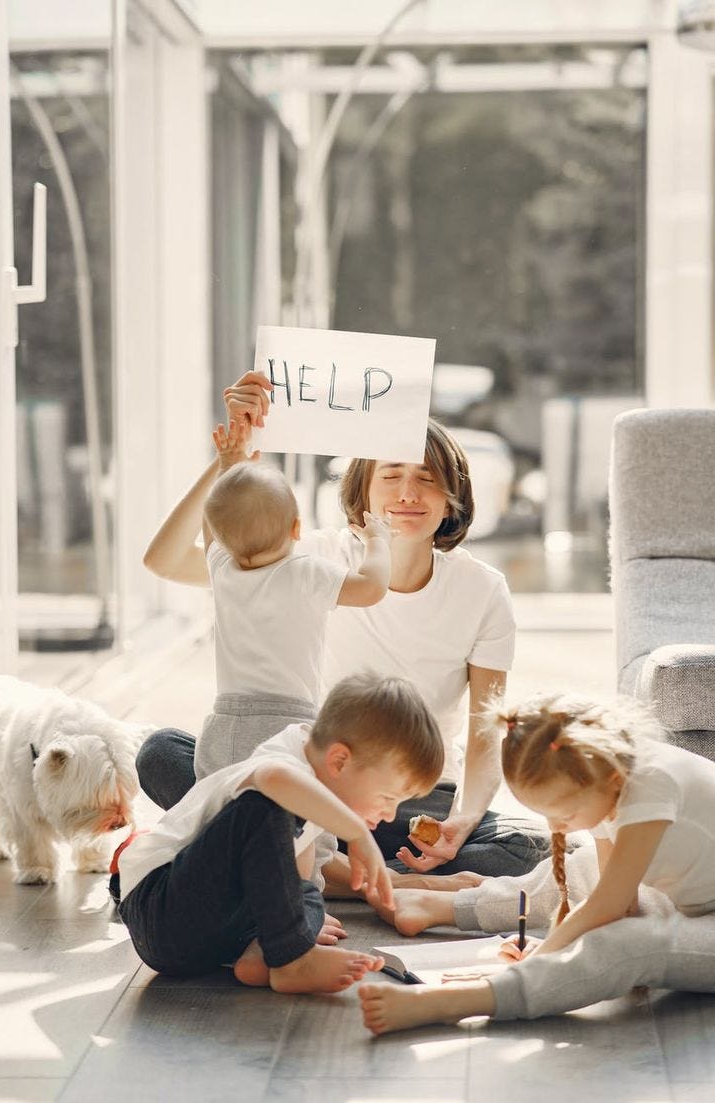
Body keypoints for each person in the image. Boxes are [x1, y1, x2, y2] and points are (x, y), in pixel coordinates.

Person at [139, 370, 547, 880]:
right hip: (312, 785)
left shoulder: (483, 589)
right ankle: (369, 882)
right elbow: (167, 561)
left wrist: (462, 822)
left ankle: (288, 872)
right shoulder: (310, 559)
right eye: (391, 475)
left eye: (426, 478)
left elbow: (486, 733)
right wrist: (230, 462)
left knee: (525, 844)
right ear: (364, 491)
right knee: (161, 754)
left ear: (451, 499)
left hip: (410, 801)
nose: (408, 492)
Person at [358, 691, 715, 1034]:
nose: (556, 827)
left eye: (565, 814)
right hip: (687, 900)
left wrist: (546, 953)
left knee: (634, 945)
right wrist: (553, 947)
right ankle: (447, 903)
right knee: (584, 866)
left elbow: (612, 907)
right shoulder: (608, 772)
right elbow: (620, 904)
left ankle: (466, 999)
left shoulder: (650, 785)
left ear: (608, 780)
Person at [115, 672, 444, 993]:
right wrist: (356, 833)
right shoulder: (285, 763)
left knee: (309, 892)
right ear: (340, 761)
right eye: (388, 798)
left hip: (210, 940)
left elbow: (294, 879)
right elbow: (271, 779)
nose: (390, 814)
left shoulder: (312, 793)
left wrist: (301, 918)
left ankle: (264, 955)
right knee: (264, 806)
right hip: (160, 906)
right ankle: (292, 962)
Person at [190, 418, 391, 778]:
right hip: (286, 724)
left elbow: (212, 529)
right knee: (306, 821)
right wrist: (377, 542)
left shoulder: (221, 568)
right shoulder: (307, 572)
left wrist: (228, 463)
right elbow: (371, 588)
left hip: (224, 723)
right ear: (297, 528)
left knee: (219, 811)